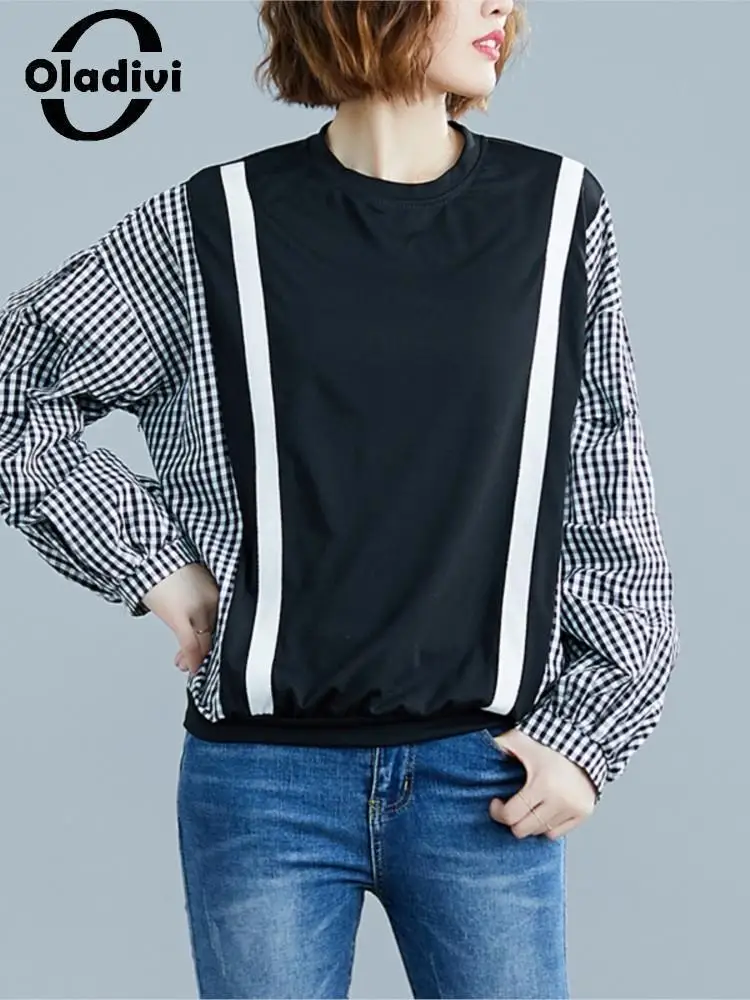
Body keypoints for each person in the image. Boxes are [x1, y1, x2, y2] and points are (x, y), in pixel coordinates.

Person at [0, 0, 680, 997]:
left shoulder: (559, 210)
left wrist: (590, 737)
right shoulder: (214, 226)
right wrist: (151, 563)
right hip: (261, 787)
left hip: (484, 778)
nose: (502, 6)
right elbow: (15, 386)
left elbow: (607, 481)